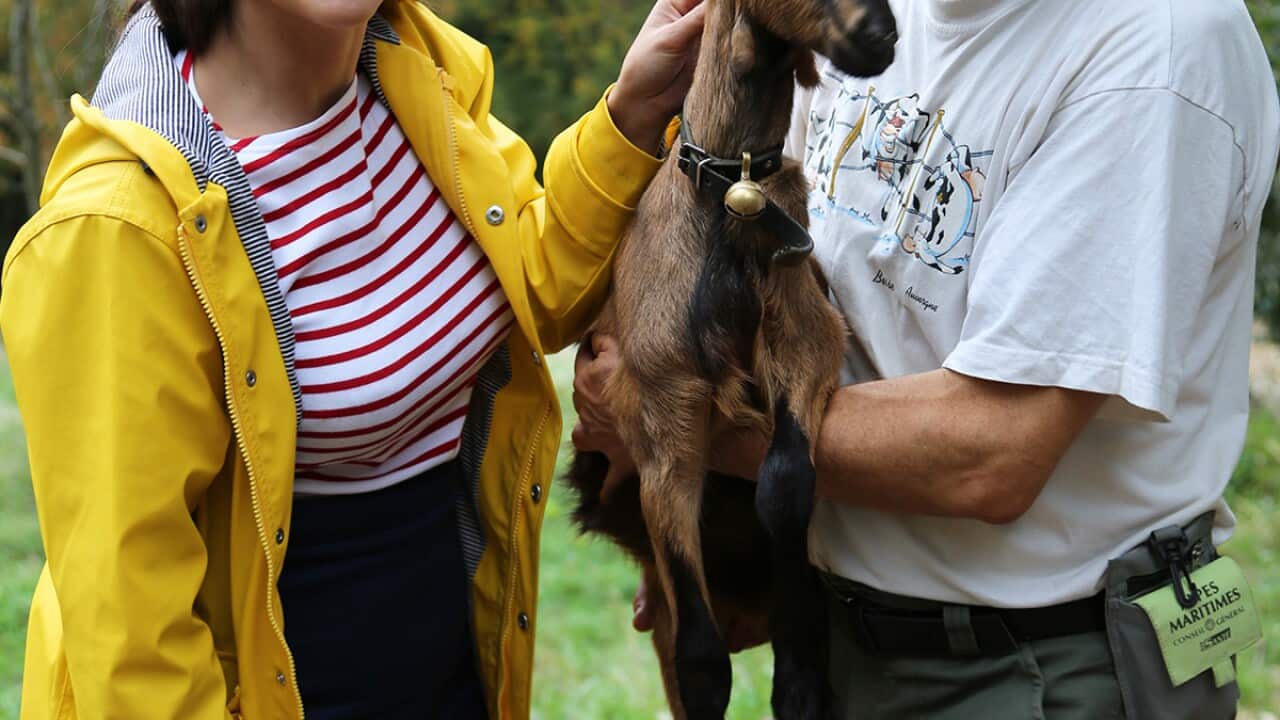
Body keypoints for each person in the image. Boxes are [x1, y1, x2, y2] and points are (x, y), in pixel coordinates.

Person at [573, 0, 1280, 717]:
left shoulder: (1151, 49)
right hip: (846, 643)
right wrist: (727, 549)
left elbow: (991, 455)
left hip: (1037, 668)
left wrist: (667, 430)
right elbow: (803, 302)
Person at [3, 0, 705, 718]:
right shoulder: (117, 226)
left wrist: (632, 115)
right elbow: (136, 656)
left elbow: (528, 283)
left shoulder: (413, 66)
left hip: (458, 675)